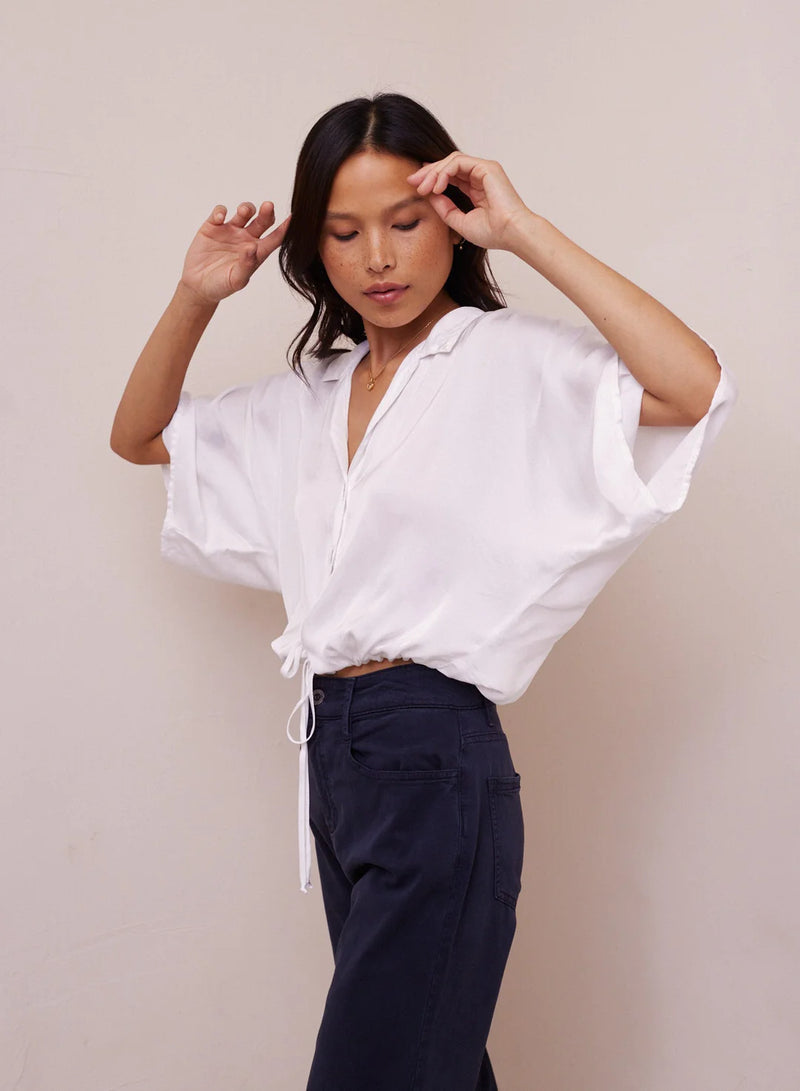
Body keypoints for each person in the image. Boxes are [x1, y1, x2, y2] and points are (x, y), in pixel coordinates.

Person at [110, 92, 737, 1091]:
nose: (378, 259)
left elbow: (689, 385)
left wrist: (523, 230)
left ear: (448, 215)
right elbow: (141, 436)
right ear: (314, 251)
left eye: (403, 222)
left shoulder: (503, 359)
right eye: (344, 233)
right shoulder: (312, 392)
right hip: (335, 758)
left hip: (433, 751)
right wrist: (197, 295)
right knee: (428, 1064)